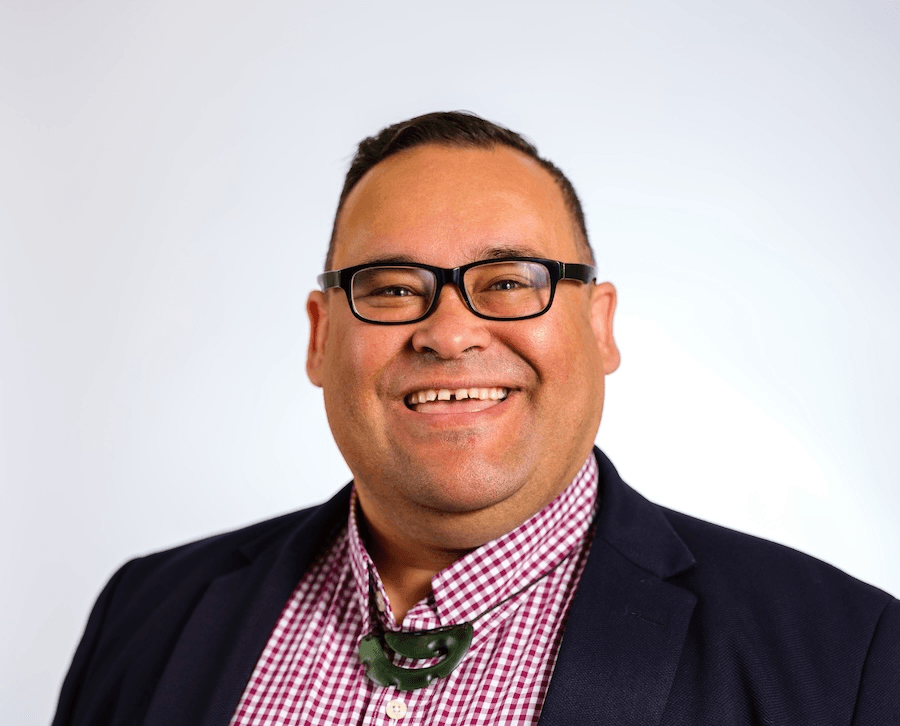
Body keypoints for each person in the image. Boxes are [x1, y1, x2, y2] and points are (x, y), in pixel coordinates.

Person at [52, 112, 899, 726]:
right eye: (390, 287)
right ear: (319, 338)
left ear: (600, 326)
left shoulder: (846, 659)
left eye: (508, 280)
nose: (451, 332)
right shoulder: (146, 612)